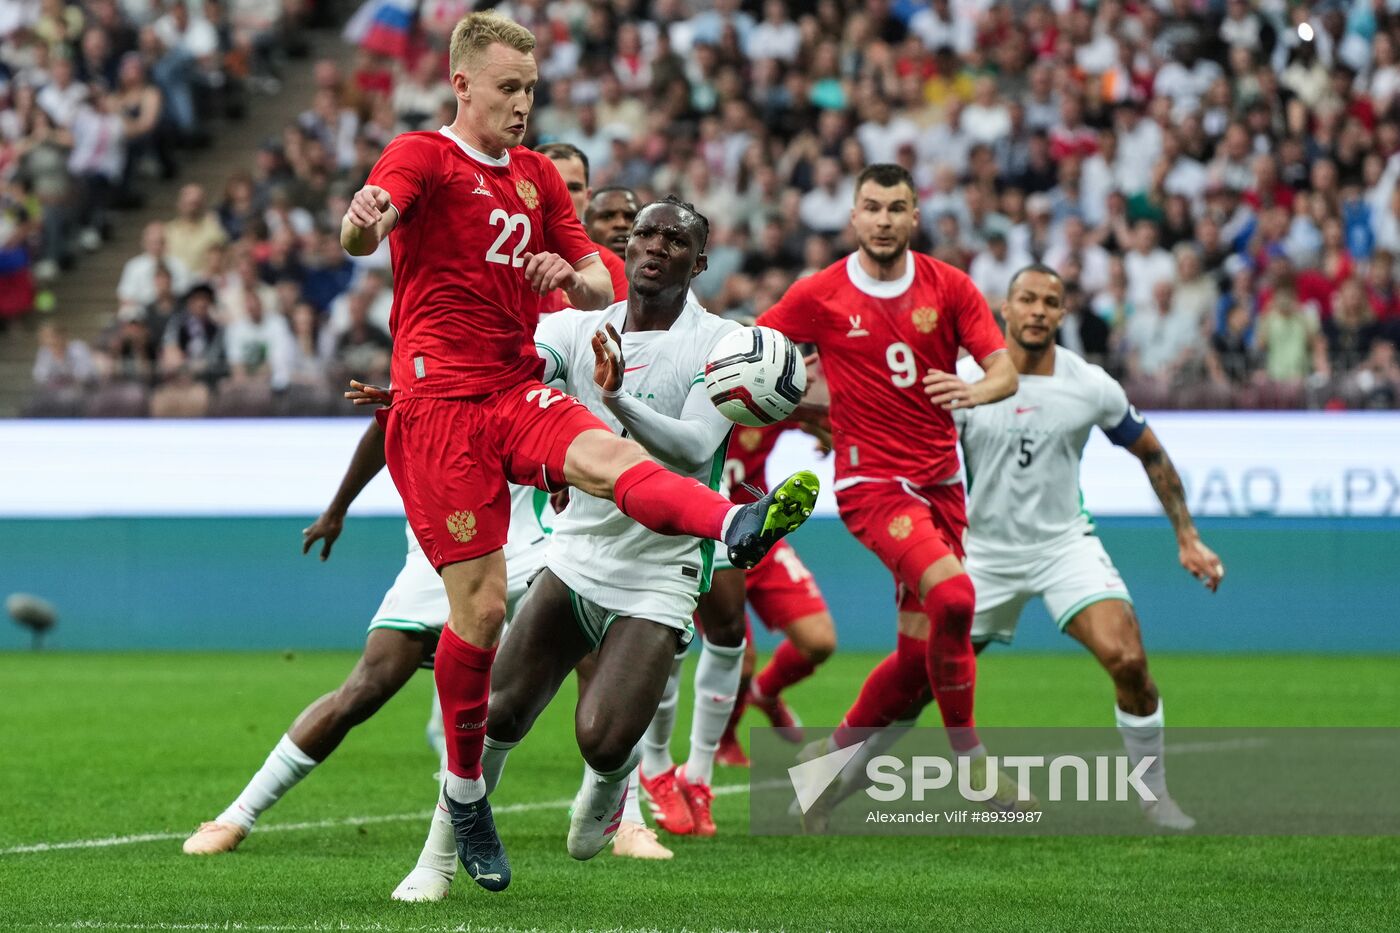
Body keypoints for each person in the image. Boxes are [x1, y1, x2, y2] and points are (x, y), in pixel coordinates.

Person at [338, 11, 818, 893]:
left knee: (605, 453)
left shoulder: (533, 180)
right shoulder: (421, 156)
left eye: (531, 89)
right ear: (463, 85)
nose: (523, 106)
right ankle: (463, 797)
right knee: (478, 615)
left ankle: (737, 521)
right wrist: (364, 221)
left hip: (515, 386)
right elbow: (368, 230)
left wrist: (574, 278)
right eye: (507, 89)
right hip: (441, 408)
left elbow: (596, 275)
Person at [802, 266, 1225, 831]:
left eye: (1051, 302)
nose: (1038, 311)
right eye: (1028, 299)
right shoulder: (958, 381)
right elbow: (889, 430)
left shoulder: (1090, 385)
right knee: (915, 688)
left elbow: (1150, 452)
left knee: (1128, 660)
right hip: (978, 553)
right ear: (1006, 307)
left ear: (1062, 313)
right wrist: (834, 432)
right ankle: (824, 786)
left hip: (1063, 545)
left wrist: (1187, 536)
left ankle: (1156, 799)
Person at [452, 197, 742, 866]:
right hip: (578, 550)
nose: (655, 245)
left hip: (661, 567)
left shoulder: (720, 343)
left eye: (675, 239)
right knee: (497, 713)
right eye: (646, 233)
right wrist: (431, 393)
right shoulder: (579, 328)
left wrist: (616, 400)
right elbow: (512, 375)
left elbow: (696, 448)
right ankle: (447, 847)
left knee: (603, 739)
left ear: (698, 263)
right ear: (627, 246)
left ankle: (610, 796)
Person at [756, 163, 1019, 801]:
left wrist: (973, 389)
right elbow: (751, 354)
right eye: (871, 207)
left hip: (942, 486)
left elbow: (1004, 372)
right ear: (853, 216)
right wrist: (805, 412)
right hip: (871, 484)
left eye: (895, 208)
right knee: (956, 599)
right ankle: (972, 760)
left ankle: (821, 766)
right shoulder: (820, 293)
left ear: (913, 217)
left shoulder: (949, 287)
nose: (882, 219)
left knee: (915, 665)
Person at [180, 422, 554, 862]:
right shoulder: (425, 362)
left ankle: (625, 820)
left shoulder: (540, 357)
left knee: (593, 643)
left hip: (528, 544)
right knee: (365, 687)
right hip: (443, 548)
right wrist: (337, 510)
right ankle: (238, 815)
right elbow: (383, 430)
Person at [533, 142, 628, 313]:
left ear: (588, 197)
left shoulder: (611, 267)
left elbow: (616, 338)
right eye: (552, 185)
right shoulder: (505, 256)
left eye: (574, 188)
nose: (563, 196)